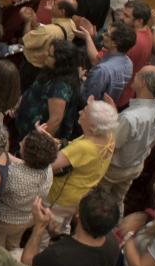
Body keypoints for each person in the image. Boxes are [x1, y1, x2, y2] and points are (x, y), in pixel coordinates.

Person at [45, 99, 118, 239]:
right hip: (81, 194)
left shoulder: (84, 147)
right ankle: (62, 238)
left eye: (84, 112)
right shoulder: (109, 136)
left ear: (92, 126)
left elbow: (48, 164)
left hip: (61, 197)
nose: (80, 112)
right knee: (64, 223)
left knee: (46, 229)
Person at [100, 67, 155, 205]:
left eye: (138, 74)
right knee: (118, 200)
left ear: (143, 82)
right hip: (137, 165)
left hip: (114, 170)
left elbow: (111, 145)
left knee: (100, 202)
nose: (135, 74)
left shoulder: (129, 117)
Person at [0, 130, 57, 250]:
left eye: (22, 144)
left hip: (3, 220)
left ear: (26, 154)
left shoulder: (12, 174)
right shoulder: (48, 169)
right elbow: (22, 164)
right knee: (13, 245)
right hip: (27, 219)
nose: (19, 143)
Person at [16, 39, 85, 141]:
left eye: (50, 55)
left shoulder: (60, 86)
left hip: (33, 140)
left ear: (60, 61)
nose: (45, 55)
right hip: (25, 129)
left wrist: (36, 142)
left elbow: (55, 121)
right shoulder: (51, 71)